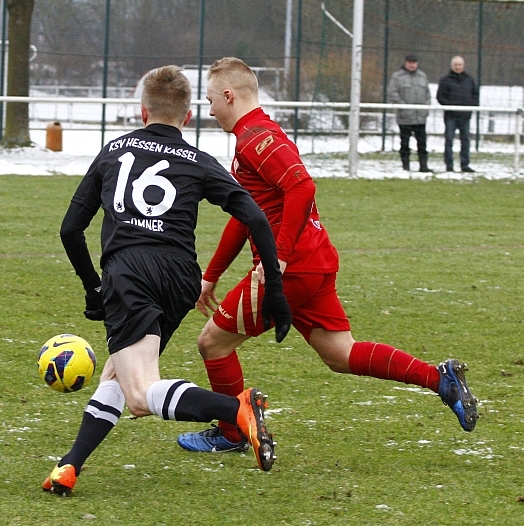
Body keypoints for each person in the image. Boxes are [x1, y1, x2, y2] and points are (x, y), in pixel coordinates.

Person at [175, 57, 479, 456]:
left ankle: (232, 433)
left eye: (211, 100)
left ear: (229, 96)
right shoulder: (257, 135)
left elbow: (302, 187)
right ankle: (440, 380)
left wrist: (278, 258)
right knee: (341, 354)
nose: (211, 110)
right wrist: (212, 275)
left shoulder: (255, 139)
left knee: (213, 343)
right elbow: (244, 216)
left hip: (291, 269)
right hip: (314, 262)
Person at [45, 65, 294, 495]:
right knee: (118, 375)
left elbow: (71, 230)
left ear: (143, 112)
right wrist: (274, 285)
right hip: (180, 279)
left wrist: (93, 287)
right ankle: (70, 465)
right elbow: (254, 216)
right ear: (188, 117)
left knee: (141, 395)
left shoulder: (113, 150)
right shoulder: (198, 160)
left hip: (130, 274)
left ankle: (236, 410)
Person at [387, 54, 432, 172]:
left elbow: (427, 94)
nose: (412, 65)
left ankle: (423, 166)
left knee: (422, 144)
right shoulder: (397, 77)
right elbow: (392, 93)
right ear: (405, 63)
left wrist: (425, 109)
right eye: (409, 62)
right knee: (405, 143)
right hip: (405, 118)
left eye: (414, 62)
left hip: (420, 118)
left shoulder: (422, 76)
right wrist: (404, 107)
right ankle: (406, 167)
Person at [436, 56, 479, 173]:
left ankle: (465, 165)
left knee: (465, 141)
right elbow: (440, 97)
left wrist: (470, 105)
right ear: (452, 66)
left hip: (465, 117)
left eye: (459, 65)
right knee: (449, 140)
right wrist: (450, 106)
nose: (457, 67)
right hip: (451, 117)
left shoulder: (469, 79)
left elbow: (475, 95)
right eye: (455, 65)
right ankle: (449, 165)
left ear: (463, 66)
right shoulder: (445, 80)